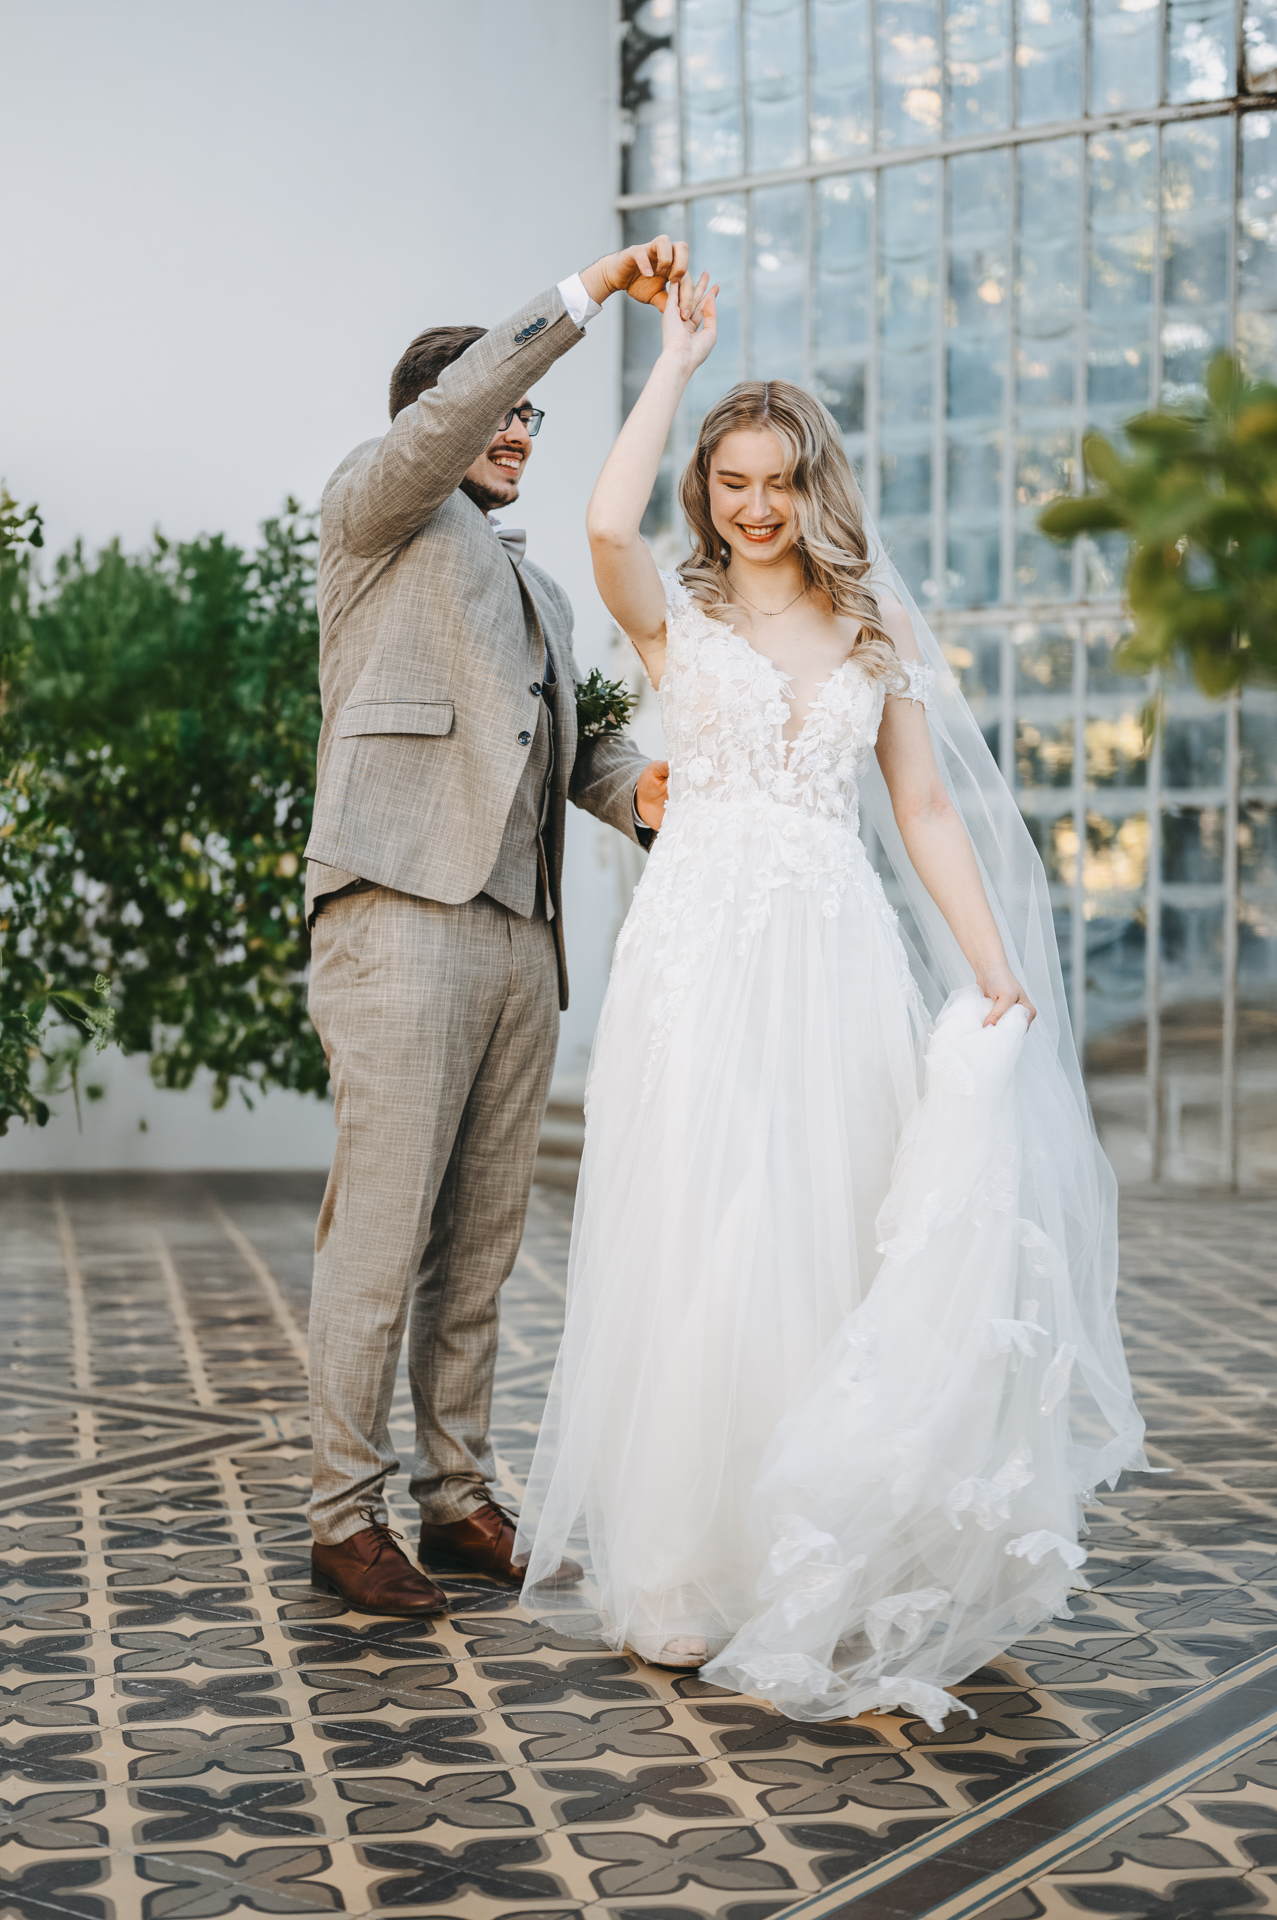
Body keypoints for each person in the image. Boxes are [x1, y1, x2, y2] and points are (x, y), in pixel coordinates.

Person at [514, 270, 1148, 1723]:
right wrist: (675, 362)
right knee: (706, 1231)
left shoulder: (875, 630)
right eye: (733, 482)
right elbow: (602, 523)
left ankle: (816, 1554)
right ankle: (683, 1568)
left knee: (829, 1222)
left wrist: (992, 966)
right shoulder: (673, 614)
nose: (756, 506)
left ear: (816, 488)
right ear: (706, 489)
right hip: (700, 950)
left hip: (836, 952)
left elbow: (922, 810)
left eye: (780, 482)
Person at [303, 239, 682, 1619]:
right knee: (381, 1229)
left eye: (532, 415)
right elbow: (457, 408)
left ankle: (456, 1495)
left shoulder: (541, 591)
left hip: (521, 933)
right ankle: (341, 1517)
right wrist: (587, 297)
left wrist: (651, 794)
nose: (520, 430)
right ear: (441, 414)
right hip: (399, 910)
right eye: (500, 409)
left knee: (480, 1240)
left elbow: (572, 750)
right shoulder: (377, 510)